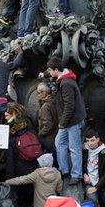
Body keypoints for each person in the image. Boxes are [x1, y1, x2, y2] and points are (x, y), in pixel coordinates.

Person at [46, 57, 86, 186]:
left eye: (50, 70)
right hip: (69, 120)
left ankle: (76, 175)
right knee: (60, 143)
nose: (49, 73)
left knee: (74, 148)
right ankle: (64, 170)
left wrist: (62, 123)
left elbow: (70, 106)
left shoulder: (66, 83)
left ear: (56, 70)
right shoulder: (65, 80)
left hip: (71, 121)